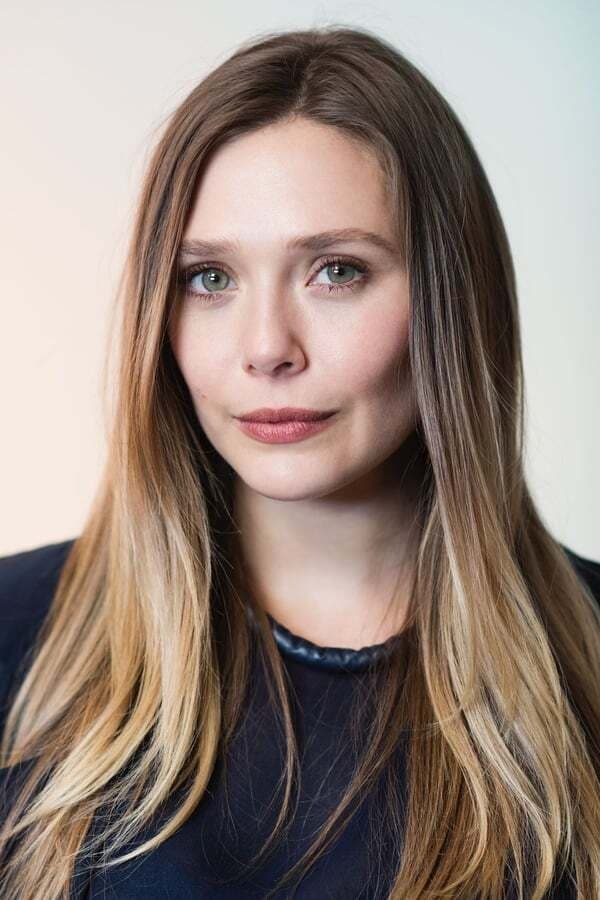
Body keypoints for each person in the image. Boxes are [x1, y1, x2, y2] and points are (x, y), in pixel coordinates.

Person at [1, 24, 599, 900]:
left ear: (450, 297)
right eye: (210, 278)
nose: (266, 348)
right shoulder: (15, 637)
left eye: (336, 271)